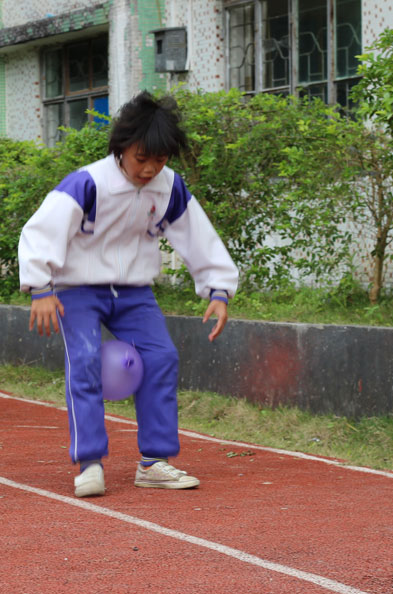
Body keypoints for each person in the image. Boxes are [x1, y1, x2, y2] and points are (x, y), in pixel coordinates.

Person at [18, 91, 239, 498]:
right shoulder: (88, 183)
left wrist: (218, 288)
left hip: (134, 291)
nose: (150, 169)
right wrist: (40, 288)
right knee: (84, 360)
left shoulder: (169, 187)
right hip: (77, 288)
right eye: (142, 159)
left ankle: (154, 462)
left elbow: (197, 236)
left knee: (162, 357)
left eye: (160, 160)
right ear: (121, 149)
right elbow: (40, 231)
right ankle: (89, 463)